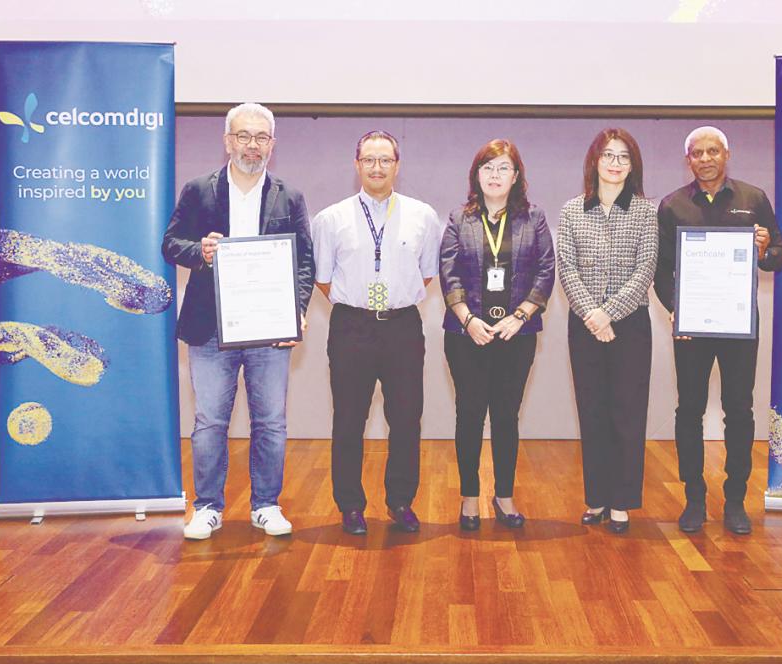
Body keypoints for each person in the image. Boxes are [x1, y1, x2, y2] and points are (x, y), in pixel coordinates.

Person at [162, 102, 314, 540]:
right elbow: (171, 244)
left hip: (269, 330)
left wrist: (297, 312)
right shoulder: (199, 190)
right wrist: (200, 252)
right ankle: (207, 506)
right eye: (244, 136)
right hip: (210, 329)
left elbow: (304, 260)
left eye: (261, 137)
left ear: (272, 144)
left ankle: (266, 504)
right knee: (209, 421)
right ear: (228, 141)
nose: (252, 145)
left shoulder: (290, 195)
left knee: (271, 422)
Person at [654, 125, 782, 535]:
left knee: (739, 411)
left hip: (737, 326)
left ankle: (734, 501)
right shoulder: (673, 204)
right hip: (692, 327)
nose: (706, 158)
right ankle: (693, 497)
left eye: (714, 151)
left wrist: (765, 250)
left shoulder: (753, 199)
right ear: (688, 159)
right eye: (698, 153)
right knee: (688, 411)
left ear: (726, 155)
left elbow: (779, 256)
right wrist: (677, 309)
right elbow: (661, 271)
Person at [312, 130, 441, 535]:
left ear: (397, 165)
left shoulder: (423, 215)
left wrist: (390, 302)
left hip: (402, 326)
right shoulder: (331, 219)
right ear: (357, 165)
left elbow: (427, 273)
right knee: (348, 420)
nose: (377, 167)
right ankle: (350, 505)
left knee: (406, 419)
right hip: (352, 326)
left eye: (385, 160)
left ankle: (401, 501)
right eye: (369, 159)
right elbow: (323, 279)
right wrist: (362, 305)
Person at [439, 139, 555, 530]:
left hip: (515, 334)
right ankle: (469, 498)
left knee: (506, 416)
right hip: (465, 334)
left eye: (503, 168)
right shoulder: (460, 219)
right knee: (469, 415)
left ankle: (504, 495)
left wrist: (520, 316)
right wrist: (468, 319)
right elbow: (448, 273)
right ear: (476, 175)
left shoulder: (533, 218)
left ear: (516, 176)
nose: (494, 175)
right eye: (487, 167)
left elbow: (545, 271)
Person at [557, 128, 658, 534]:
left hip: (630, 326)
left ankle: (621, 501)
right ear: (594, 162)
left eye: (623, 157)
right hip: (584, 325)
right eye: (608, 156)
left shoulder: (646, 211)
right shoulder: (571, 210)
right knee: (593, 411)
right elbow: (567, 267)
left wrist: (609, 314)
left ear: (632, 166)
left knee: (627, 414)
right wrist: (592, 315)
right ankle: (597, 497)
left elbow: (646, 268)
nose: (615, 164)